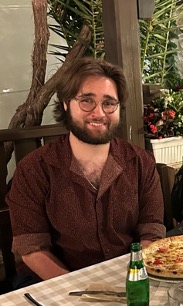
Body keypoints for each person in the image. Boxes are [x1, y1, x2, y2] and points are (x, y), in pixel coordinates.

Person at [6, 57, 166, 287]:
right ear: (65, 104)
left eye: (109, 103)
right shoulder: (34, 169)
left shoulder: (140, 162)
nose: (99, 113)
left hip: (126, 275)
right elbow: (32, 248)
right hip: (52, 280)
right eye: (87, 100)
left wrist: (128, 278)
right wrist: (83, 290)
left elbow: (151, 231)